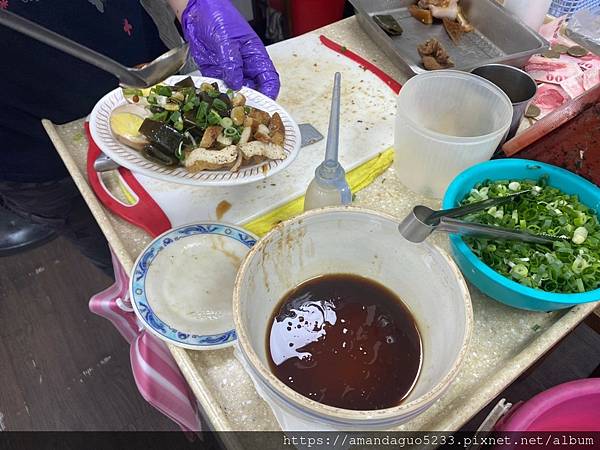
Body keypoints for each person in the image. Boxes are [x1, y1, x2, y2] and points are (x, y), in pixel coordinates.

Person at [0, 0, 279, 275]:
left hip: (140, 70)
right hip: (37, 147)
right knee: (124, 253)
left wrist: (190, 4)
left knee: (209, 213)